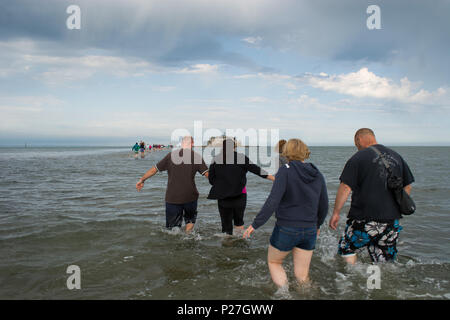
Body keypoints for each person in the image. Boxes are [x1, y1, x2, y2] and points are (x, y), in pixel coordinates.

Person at [243, 139, 329, 288]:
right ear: (304, 152)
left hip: (287, 228)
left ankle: (285, 295)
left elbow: (273, 201)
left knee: (274, 262)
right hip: (309, 229)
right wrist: (318, 224)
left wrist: (255, 224)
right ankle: (307, 296)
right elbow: (324, 204)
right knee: (302, 276)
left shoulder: (285, 170)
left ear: (287, 152)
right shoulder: (317, 173)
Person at [329, 128, 415, 264]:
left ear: (359, 139)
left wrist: (336, 213)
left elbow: (346, 187)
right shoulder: (397, 156)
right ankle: (376, 282)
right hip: (392, 220)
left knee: (347, 248)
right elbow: (408, 185)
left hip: (364, 217)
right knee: (382, 257)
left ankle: (352, 276)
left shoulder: (358, 158)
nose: (356, 147)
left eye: (355, 143)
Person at [136, 136, 209, 233]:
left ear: (182, 143)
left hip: (173, 197)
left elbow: (154, 169)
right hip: (190, 196)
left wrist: (142, 180)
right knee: (190, 220)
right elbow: (208, 175)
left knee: (172, 229)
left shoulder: (171, 155)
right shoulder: (196, 157)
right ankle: (188, 236)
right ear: (192, 144)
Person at [207, 138, 275, 235]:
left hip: (223, 196)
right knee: (239, 222)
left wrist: (222, 186)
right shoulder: (241, 158)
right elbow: (256, 170)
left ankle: (227, 245)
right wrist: (273, 178)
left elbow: (211, 179)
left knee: (226, 225)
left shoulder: (216, 159)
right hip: (239, 195)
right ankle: (239, 244)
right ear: (235, 147)